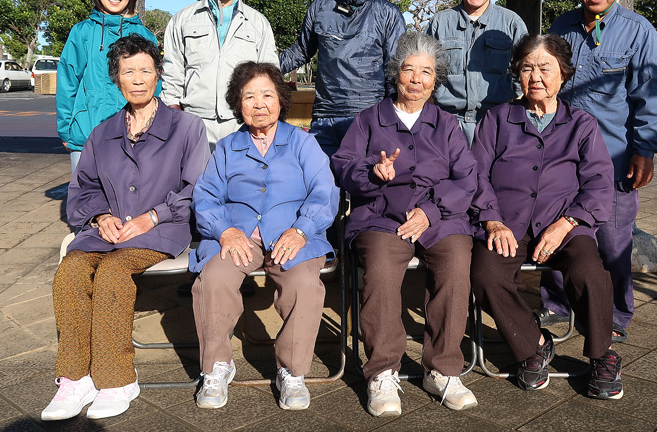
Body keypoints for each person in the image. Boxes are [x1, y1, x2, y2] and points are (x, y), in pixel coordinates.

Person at [41, 35, 210, 421]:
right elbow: (82, 188)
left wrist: (152, 217)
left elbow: (196, 188)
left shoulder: (187, 127)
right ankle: (74, 378)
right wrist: (101, 216)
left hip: (160, 229)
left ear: (158, 76)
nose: (137, 79)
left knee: (114, 274)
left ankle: (117, 378)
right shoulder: (102, 132)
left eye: (145, 71)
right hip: (107, 231)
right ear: (116, 78)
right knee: (70, 272)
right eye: (128, 71)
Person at [332, 32, 478, 416]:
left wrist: (431, 212)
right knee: (379, 269)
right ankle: (382, 371)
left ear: (436, 79)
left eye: (426, 72)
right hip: (381, 215)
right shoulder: (368, 120)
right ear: (395, 73)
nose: (416, 79)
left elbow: (466, 178)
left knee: (456, 262)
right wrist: (371, 171)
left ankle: (443, 369)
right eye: (409, 69)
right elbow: (343, 166)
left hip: (438, 217)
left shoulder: (447, 125)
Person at [470, 33, 622, 399]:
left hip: (565, 225)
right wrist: (492, 219)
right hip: (507, 224)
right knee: (485, 274)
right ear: (516, 76)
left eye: (545, 68)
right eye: (526, 68)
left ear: (563, 74)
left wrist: (568, 222)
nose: (535, 76)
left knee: (590, 272)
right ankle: (533, 344)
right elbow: (474, 176)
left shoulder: (581, 124)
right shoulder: (497, 119)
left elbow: (600, 184)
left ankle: (602, 355)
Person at [190, 61, 339, 411]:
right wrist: (224, 231)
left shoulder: (303, 143)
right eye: (249, 96)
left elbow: (325, 192)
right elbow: (205, 196)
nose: (259, 104)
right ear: (237, 103)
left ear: (281, 100)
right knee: (213, 279)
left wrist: (302, 229)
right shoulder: (227, 147)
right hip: (238, 236)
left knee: (303, 284)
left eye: (267, 95)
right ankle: (216, 367)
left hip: (293, 235)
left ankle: (292, 371)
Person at [542, 0, 657, 342]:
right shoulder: (561, 27)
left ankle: (615, 316)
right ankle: (557, 307)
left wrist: (645, 150)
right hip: (562, 158)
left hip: (614, 160)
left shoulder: (639, 31)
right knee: (559, 234)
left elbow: (649, 95)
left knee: (614, 242)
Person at [280, 0, 406, 156]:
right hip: (324, 117)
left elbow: (395, 70)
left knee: (364, 185)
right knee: (322, 185)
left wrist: (391, 120)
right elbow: (301, 50)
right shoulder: (320, 5)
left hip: (369, 116)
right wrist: (263, 68)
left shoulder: (389, 13)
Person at [161, 0, 279, 149]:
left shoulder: (258, 23)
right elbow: (172, 73)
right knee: (195, 183)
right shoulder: (182, 19)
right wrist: (175, 119)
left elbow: (270, 76)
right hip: (193, 125)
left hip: (243, 125)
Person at [56, 0, 158, 172]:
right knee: (85, 199)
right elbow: (67, 82)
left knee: (130, 201)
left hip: (135, 136)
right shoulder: (82, 32)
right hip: (87, 133)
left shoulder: (145, 36)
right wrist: (66, 130)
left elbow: (156, 86)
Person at [426, 0, 528, 146]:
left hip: (497, 124)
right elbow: (424, 70)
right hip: (447, 125)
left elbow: (524, 71)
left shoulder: (511, 23)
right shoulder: (440, 22)